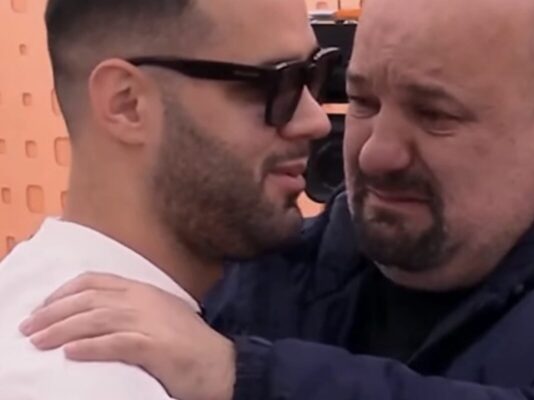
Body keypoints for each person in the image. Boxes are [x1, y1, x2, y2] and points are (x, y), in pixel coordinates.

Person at [18, 0, 534, 399]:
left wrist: (245, 376)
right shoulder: (271, 267)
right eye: (361, 99)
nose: (374, 153)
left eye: (434, 113)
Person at [0, 0, 334, 398]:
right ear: (127, 104)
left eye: (316, 74)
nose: (316, 121)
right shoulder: (83, 380)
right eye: (276, 84)